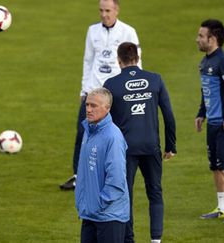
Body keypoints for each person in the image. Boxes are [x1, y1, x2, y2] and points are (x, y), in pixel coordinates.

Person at [60, 0, 142, 190]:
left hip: (117, 92)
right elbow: (88, 60)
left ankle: (114, 175)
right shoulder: (92, 31)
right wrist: (84, 89)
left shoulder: (128, 32)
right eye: (101, 10)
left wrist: (133, 88)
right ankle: (78, 175)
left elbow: (137, 62)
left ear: (116, 10)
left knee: (117, 134)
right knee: (83, 132)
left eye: (107, 10)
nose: (104, 14)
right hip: (93, 90)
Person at [103, 42, 176, 243]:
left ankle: (129, 239)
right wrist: (171, 146)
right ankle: (156, 240)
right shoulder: (155, 80)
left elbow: (103, 119)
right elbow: (168, 115)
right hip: (151, 146)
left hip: (124, 150)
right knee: (155, 192)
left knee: (125, 195)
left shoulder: (111, 84)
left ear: (119, 61)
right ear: (137, 58)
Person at [75, 87, 129, 243]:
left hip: (108, 216)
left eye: (94, 106)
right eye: (87, 105)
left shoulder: (113, 137)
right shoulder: (89, 130)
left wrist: (99, 203)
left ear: (107, 108)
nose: (89, 109)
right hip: (90, 213)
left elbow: (116, 178)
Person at [194, 19, 224, 220]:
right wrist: (201, 113)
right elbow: (207, 92)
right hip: (212, 123)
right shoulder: (205, 62)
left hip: (222, 122)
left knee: (223, 166)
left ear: (212, 39)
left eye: (201, 36)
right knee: (215, 165)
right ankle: (222, 208)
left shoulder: (222, 61)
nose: (197, 40)